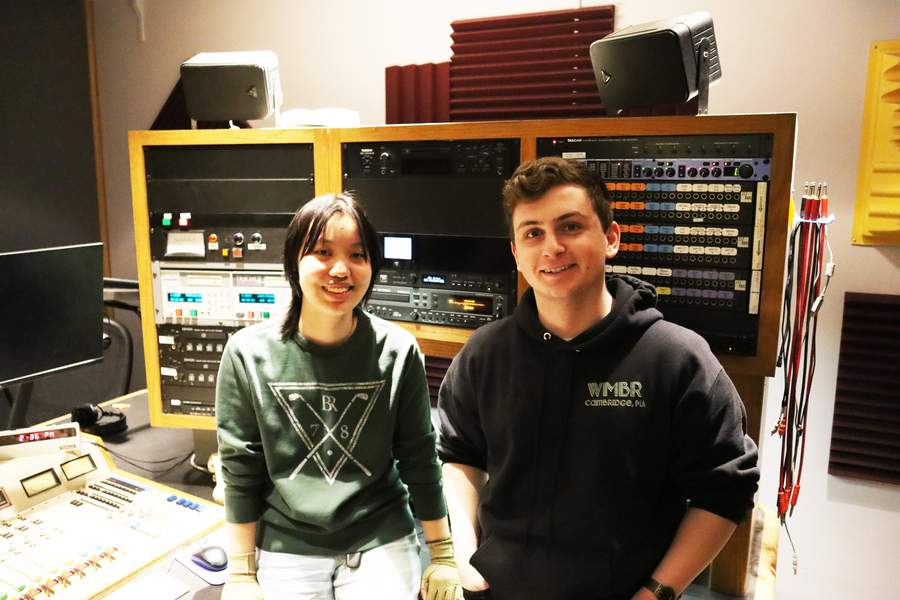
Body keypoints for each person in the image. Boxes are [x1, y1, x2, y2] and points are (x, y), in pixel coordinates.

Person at [437, 157, 760, 600]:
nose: (551, 247)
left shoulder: (678, 359)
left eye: (570, 227)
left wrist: (655, 593)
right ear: (516, 253)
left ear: (610, 238)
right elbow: (460, 454)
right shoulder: (485, 352)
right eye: (533, 233)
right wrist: (464, 555)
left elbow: (726, 491)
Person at [215, 193, 462, 600]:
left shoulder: (398, 350)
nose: (341, 269)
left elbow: (419, 457)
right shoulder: (247, 353)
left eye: (358, 255)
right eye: (322, 252)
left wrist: (443, 554)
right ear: (294, 262)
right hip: (285, 542)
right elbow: (241, 469)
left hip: (381, 534)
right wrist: (240, 573)